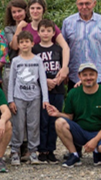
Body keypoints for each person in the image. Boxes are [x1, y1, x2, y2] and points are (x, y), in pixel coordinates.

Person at [47, 63, 101, 168]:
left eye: (91, 74)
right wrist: (58, 113)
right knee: (59, 122)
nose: (88, 77)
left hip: (100, 131)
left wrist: (95, 140)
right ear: (79, 76)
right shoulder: (74, 93)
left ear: (97, 75)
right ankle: (74, 154)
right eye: (85, 75)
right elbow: (69, 117)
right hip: (81, 131)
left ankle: (97, 151)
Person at [7, 32, 49, 166]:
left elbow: (42, 80)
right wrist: (10, 100)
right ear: (18, 45)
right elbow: (11, 81)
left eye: (27, 41)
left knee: (33, 124)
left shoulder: (37, 60)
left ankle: (33, 151)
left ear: (32, 43)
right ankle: (15, 151)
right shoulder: (16, 61)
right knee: (18, 125)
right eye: (21, 42)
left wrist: (45, 99)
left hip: (35, 97)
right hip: (19, 97)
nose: (24, 44)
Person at [62, 0, 101, 87]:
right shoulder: (68, 23)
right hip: (75, 75)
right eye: (81, 4)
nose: (84, 7)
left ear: (94, 3)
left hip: (98, 75)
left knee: (98, 102)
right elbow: (62, 48)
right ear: (76, 4)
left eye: (87, 3)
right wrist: (63, 69)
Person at [33, 19, 66, 163]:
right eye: (42, 30)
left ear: (54, 33)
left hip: (57, 89)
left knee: (54, 120)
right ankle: (42, 150)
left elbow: (63, 69)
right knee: (42, 120)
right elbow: (31, 70)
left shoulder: (59, 49)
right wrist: (44, 81)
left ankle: (51, 149)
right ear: (38, 32)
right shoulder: (34, 49)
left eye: (48, 31)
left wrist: (56, 81)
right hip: (40, 90)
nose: (45, 33)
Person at [15, 0, 70, 82]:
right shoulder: (25, 28)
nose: (35, 11)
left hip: (51, 73)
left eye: (38, 8)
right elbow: (19, 51)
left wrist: (64, 68)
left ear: (43, 10)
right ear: (28, 10)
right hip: (33, 74)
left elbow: (65, 47)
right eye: (32, 8)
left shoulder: (51, 27)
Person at [2, 0, 29, 102]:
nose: (17, 14)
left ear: (25, 11)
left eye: (19, 11)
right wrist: (19, 28)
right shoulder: (8, 29)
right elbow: (14, 46)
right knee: (11, 101)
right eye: (14, 12)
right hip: (12, 67)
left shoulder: (32, 26)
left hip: (29, 67)